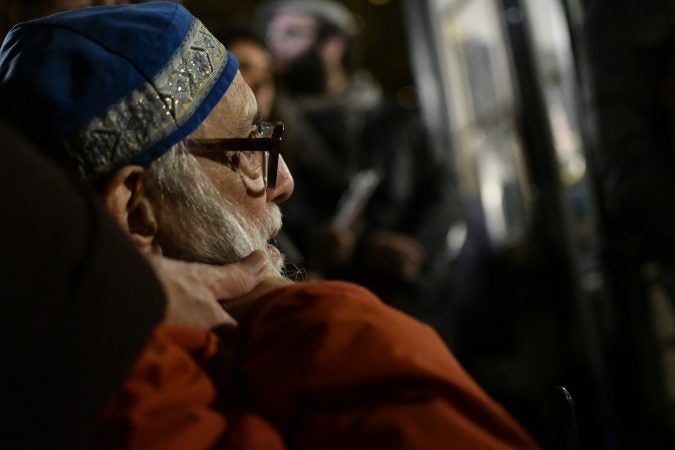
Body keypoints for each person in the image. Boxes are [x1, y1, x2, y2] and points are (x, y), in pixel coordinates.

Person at [0, 2, 539, 449]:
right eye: (250, 150)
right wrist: (297, 312)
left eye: (269, 136)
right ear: (137, 209)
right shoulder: (139, 393)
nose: (284, 183)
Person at [253, 0, 464, 310]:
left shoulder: (394, 121)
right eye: (273, 35)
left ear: (334, 44)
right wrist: (358, 250)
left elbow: (443, 194)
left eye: (292, 33)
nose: (277, 45)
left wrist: (415, 255)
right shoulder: (272, 132)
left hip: (413, 301)